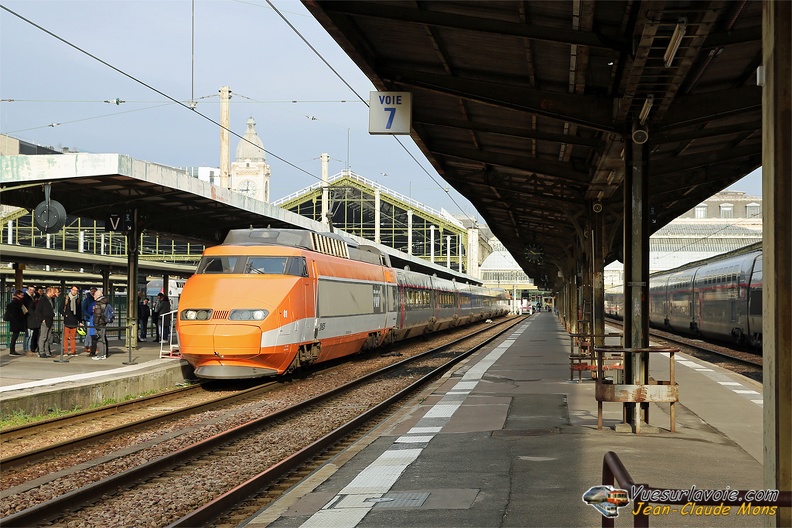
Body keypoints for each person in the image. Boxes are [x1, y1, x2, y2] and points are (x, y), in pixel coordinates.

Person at [35, 286, 57, 358]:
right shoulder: (42, 300)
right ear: (49, 292)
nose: (53, 294)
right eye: (53, 292)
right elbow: (37, 311)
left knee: (48, 337)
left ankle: (47, 351)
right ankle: (41, 351)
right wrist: (42, 319)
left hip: (50, 320)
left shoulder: (51, 299)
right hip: (45, 320)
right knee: (43, 337)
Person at [61, 286, 83, 357]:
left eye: (76, 290)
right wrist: (65, 314)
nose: (74, 292)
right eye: (74, 290)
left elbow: (79, 311)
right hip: (67, 320)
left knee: (73, 337)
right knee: (66, 337)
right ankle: (66, 351)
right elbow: (60, 308)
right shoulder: (66, 298)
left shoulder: (78, 300)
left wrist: (80, 321)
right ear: (71, 290)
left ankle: (73, 351)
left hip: (74, 320)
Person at [5, 290, 27, 356]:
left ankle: (12, 350)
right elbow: (16, 312)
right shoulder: (16, 302)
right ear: (18, 295)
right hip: (16, 321)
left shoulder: (18, 302)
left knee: (15, 335)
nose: (23, 296)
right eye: (21, 295)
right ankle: (12, 350)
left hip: (16, 321)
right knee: (15, 336)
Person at [91, 288, 110, 360]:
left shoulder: (99, 303)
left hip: (99, 323)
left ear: (98, 295)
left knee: (99, 339)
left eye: (95, 295)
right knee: (103, 339)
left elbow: (98, 314)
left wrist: (95, 323)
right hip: (104, 322)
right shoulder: (105, 302)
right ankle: (104, 354)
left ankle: (101, 354)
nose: (94, 296)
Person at [81, 287, 97, 353]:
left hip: (95, 318)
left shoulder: (96, 299)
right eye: (92, 291)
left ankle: (91, 346)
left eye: (94, 291)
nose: (93, 293)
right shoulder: (87, 300)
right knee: (89, 333)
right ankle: (88, 346)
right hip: (88, 319)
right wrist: (89, 316)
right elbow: (83, 309)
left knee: (93, 333)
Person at [22, 286, 35, 353]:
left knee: (30, 334)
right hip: (27, 318)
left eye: (33, 290)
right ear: (27, 290)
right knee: (28, 334)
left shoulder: (32, 297)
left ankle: (28, 348)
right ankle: (25, 348)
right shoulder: (26, 297)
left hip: (31, 318)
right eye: (30, 290)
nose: (31, 291)